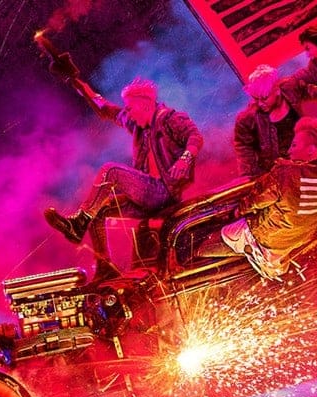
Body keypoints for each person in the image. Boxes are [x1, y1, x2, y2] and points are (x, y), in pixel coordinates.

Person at [44, 55, 204, 282]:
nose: (127, 112)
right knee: (99, 212)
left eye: (130, 108)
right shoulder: (138, 125)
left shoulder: (169, 118)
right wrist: (75, 81)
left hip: (163, 193)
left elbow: (194, 136)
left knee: (111, 171)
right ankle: (105, 266)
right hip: (148, 197)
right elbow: (105, 108)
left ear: (144, 104)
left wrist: (185, 158)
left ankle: (79, 222)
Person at [221, 117, 317, 279]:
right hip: (300, 238)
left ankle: (258, 253)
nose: (289, 151)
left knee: (221, 235)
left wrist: (237, 211)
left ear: (311, 151)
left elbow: (255, 200)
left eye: (294, 145)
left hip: (267, 236)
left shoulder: (286, 173)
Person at [234, 64, 317, 177]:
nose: (260, 103)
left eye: (264, 98)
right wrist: (251, 174)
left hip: (306, 159)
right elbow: (243, 147)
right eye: (256, 98)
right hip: (279, 171)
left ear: (277, 90)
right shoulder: (248, 118)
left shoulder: (289, 89)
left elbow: (305, 89)